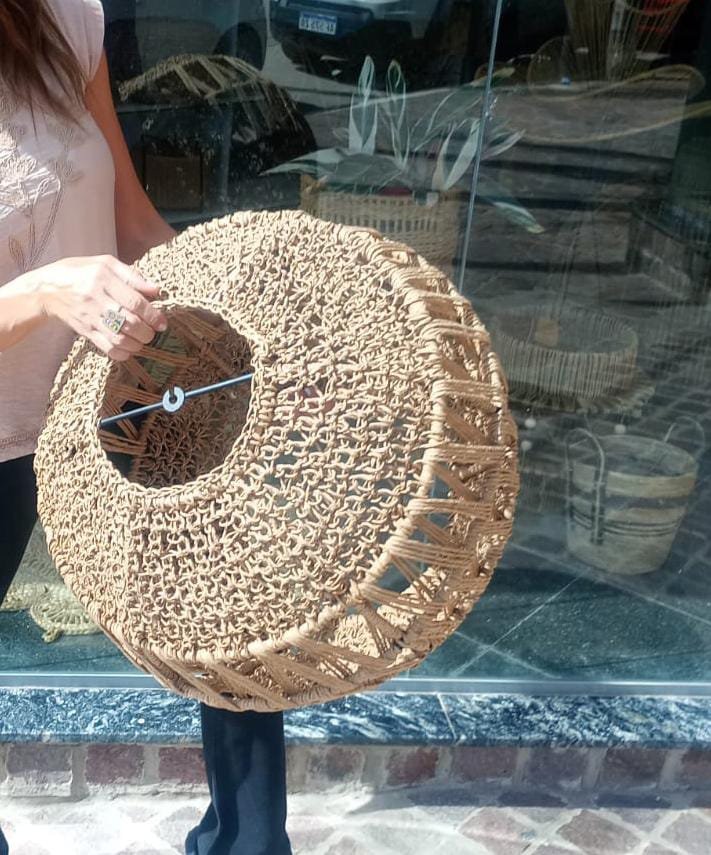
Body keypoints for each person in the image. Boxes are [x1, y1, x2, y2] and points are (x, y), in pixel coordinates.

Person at [0, 1, 292, 853]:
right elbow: (59, 280)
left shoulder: (60, 19)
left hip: (116, 401)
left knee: (230, 619)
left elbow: (132, 223)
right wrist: (46, 290)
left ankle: (247, 844)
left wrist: (242, 326)